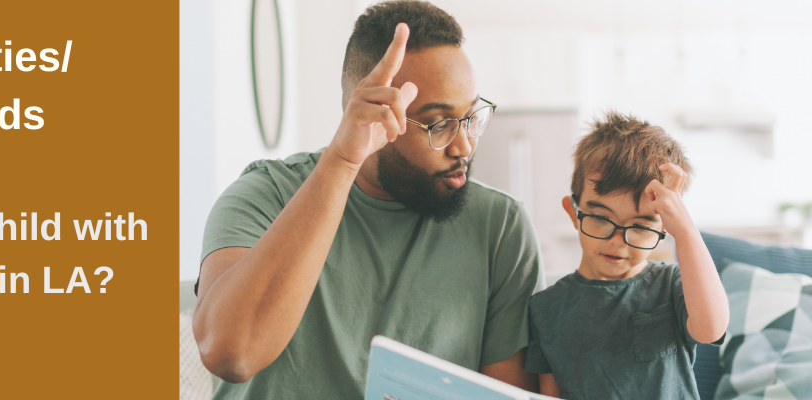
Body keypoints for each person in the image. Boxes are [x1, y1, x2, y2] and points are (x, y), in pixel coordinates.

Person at [191, 1, 543, 398]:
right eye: (438, 124)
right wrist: (342, 161)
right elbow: (231, 354)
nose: (464, 145)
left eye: (470, 117)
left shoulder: (499, 227)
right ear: (369, 114)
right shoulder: (265, 195)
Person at [525, 112, 729, 399]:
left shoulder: (671, 285)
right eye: (600, 218)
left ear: (664, 227)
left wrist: (685, 231)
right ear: (574, 213)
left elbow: (710, 329)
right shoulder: (544, 308)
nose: (617, 241)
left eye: (641, 226)